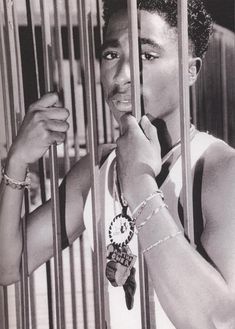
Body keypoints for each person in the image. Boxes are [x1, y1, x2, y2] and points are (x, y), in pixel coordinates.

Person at [1, 0, 235, 328]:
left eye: (147, 55)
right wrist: (17, 161)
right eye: (111, 55)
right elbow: (8, 265)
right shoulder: (97, 170)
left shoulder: (220, 171)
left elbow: (216, 322)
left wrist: (139, 181)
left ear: (190, 70)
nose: (123, 74)